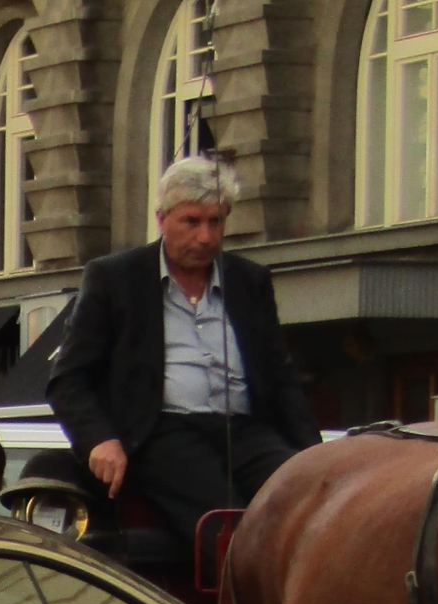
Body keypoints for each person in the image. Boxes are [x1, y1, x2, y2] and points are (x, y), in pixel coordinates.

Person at [47, 155, 320, 543]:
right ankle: (238, 603)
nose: (205, 237)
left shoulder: (249, 280)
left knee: (307, 503)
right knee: (227, 528)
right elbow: (69, 379)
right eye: (191, 222)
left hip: (245, 430)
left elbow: (281, 376)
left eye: (216, 222)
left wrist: (316, 457)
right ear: (162, 218)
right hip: (162, 432)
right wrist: (99, 439)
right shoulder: (114, 278)